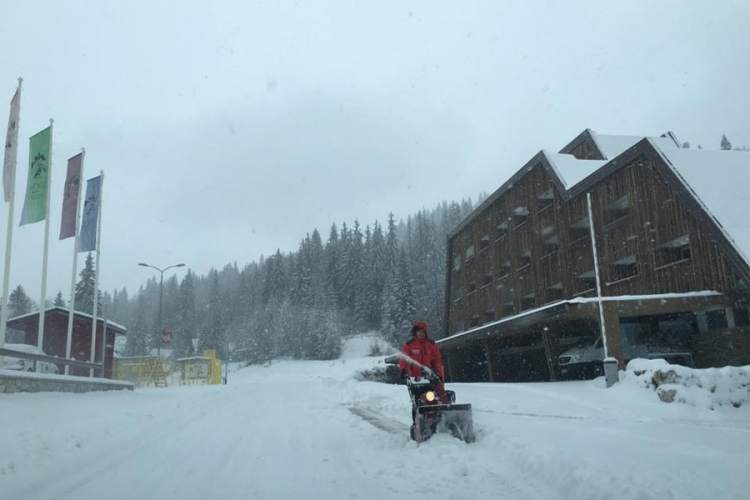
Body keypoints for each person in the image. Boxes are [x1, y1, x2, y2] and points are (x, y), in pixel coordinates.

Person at [399, 320, 449, 404]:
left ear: (425, 332)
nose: (421, 334)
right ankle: (418, 408)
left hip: (429, 376)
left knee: (437, 395)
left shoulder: (431, 345)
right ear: (415, 332)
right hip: (415, 378)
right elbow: (403, 359)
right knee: (418, 399)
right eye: (419, 332)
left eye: (422, 332)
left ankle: (445, 405)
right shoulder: (409, 345)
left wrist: (440, 375)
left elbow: (437, 361)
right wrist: (403, 370)